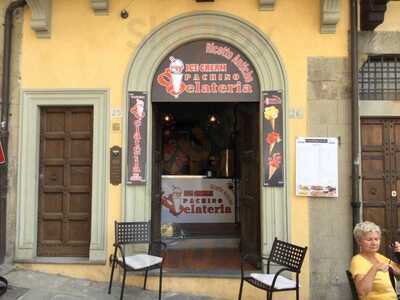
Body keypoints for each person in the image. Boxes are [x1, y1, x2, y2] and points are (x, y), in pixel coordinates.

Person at [350, 221, 400, 299]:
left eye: (376, 239)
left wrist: (398, 254)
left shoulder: (379, 257)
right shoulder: (358, 261)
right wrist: (374, 268)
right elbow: (362, 292)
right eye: (369, 240)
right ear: (359, 241)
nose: (374, 243)